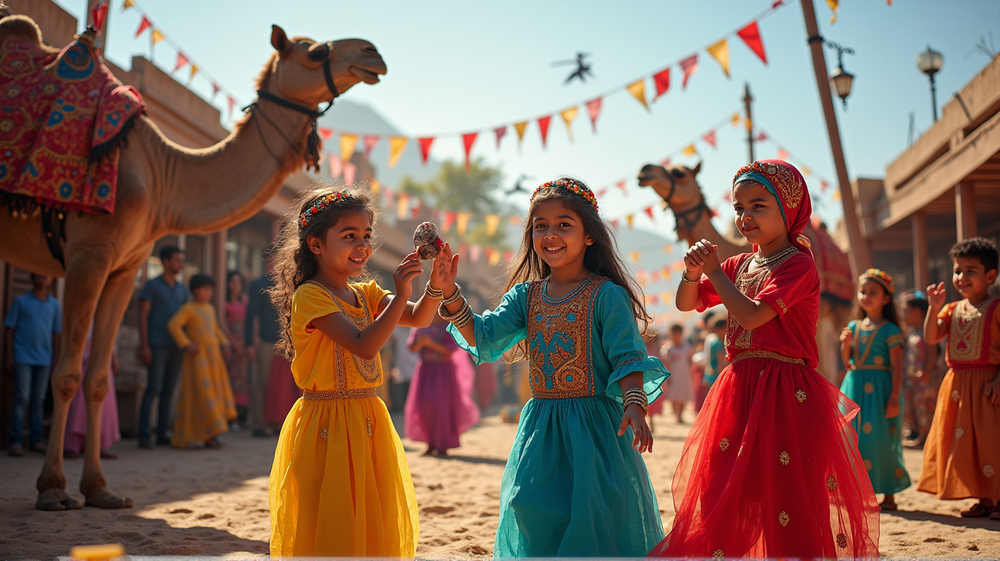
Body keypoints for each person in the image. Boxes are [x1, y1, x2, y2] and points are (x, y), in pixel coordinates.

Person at [650, 160, 879, 558]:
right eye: (739, 208)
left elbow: (753, 314)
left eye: (759, 206)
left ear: (788, 210)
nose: (745, 216)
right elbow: (686, 303)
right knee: (727, 483)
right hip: (740, 384)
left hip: (785, 389)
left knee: (786, 487)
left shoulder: (798, 263)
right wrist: (691, 274)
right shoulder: (740, 264)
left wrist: (715, 273)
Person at [441, 177, 668, 556]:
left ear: (589, 236)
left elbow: (627, 355)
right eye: (540, 225)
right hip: (542, 426)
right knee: (529, 505)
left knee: (590, 516)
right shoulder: (525, 296)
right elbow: (485, 337)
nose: (551, 233)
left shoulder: (606, 295)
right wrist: (449, 291)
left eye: (564, 224)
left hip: (595, 430)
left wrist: (634, 402)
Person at [267, 186, 454, 557]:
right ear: (316, 244)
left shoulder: (366, 292)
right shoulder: (311, 295)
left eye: (366, 236)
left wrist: (436, 283)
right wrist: (401, 294)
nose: (362, 245)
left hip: (368, 418)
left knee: (372, 510)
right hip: (326, 421)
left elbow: (417, 317)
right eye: (349, 236)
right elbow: (364, 343)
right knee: (330, 512)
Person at [918, 237, 1000, 520]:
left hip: (989, 387)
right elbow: (931, 337)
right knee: (967, 444)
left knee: (991, 441)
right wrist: (934, 306)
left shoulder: (997, 307)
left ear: (991, 276)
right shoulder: (951, 310)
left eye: (970, 271)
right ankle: (986, 500)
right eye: (957, 271)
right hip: (957, 388)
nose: (961, 277)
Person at [839, 268, 910, 511]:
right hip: (855, 385)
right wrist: (845, 345)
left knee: (883, 438)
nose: (866, 296)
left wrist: (893, 398)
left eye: (873, 291)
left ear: (886, 298)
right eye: (862, 291)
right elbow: (848, 361)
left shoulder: (891, 330)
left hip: (881, 390)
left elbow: (898, 365)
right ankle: (857, 490)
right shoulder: (853, 326)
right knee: (854, 437)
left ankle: (889, 493)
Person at [167, 274, 236, 449]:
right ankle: (192, 436)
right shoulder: (188, 308)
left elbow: (215, 330)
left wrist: (225, 343)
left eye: (210, 289)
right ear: (195, 290)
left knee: (214, 393)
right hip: (196, 358)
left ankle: (210, 435)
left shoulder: (210, 309)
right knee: (199, 395)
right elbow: (173, 325)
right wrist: (186, 344)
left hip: (213, 358)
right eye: (204, 288)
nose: (208, 292)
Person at [404, 314, 480, 456]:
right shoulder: (422, 325)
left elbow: (451, 350)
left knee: (441, 406)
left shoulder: (448, 327)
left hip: (443, 373)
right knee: (423, 405)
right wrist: (421, 343)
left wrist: (430, 343)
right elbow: (412, 347)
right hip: (425, 371)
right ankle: (430, 442)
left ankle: (443, 443)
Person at [5, 273, 61, 456]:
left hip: (45, 359)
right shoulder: (21, 301)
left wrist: (55, 360)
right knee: (22, 398)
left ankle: (37, 440)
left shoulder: (55, 305)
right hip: (23, 356)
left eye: (47, 273)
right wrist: (9, 357)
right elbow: (10, 329)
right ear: (32, 276)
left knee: (39, 401)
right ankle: (16, 441)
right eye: (39, 272)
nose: (43, 275)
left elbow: (56, 335)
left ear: (53, 278)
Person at [137, 245, 187, 448]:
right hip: (156, 344)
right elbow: (142, 316)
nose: (181, 264)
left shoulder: (182, 288)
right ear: (166, 262)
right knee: (153, 388)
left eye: (182, 261)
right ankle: (144, 434)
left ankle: (162, 432)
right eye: (177, 260)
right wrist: (145, 345)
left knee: (168, 390)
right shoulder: (151, 285)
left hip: (176, 346)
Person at [64, 326, 120, 459]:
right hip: (83, 358)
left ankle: (98, 445)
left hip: (103, 359)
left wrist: (113, 356)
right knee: (80, 402)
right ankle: (73, 445)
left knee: (104, 400)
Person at [245, 257, 283, 437]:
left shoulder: (286, 283)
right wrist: (249, 343)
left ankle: (278, 422)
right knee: (263, 382)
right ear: (267, 262)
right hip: (266, 341)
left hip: (285, 343)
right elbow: (250, 314)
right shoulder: (258, 284)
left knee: (282, 384)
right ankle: (259, 423)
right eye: (273, 261)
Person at [900, 291, 941, 448]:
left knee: (925, 407)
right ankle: (916, 433)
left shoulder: (926, 331)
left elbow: (932, 352)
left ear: (917, 312)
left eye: (906, 311)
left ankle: (926, 438)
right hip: (912, 379)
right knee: (913, 406)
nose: (903, 315)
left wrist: (926, 371)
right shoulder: (912, 332)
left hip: (925, 378)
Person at [221, 271, 250, 428]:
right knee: (230, 378)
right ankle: (230, 417)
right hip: (229, 345)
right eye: (232, 281)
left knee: (243, 380)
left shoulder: (246, 301)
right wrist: (233, 342)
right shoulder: (223, 302)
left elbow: (252, 322)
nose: (235, 285)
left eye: (238, 282)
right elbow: (223, 323)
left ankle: (242, 416)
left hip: (244, 343)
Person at [659, 323, 693, 424]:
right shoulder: (667, 348)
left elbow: (689, 360)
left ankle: (680, 415)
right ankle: (676, 414)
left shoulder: (687, 347)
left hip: (684, 373)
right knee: (673, 394)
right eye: (675, 334)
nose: (677, 336)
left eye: (678, 334)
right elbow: (665, 363)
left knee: (683, 394)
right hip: (672, 374)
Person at [389, 325, 419, 413]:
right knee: (405, 388)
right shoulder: (396, 330)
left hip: (415, 362)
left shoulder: (417, 328)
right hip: (402, 363)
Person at [703, 316, 728, 394]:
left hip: (711, 375)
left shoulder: (714, 342)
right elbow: (721, 363)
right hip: (717, 376)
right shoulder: (718, 343)